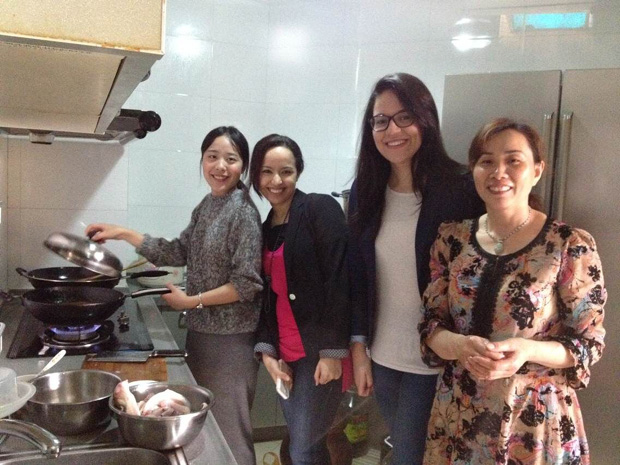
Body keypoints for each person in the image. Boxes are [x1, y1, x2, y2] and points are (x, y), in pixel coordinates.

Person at [419, 118, 606, 464]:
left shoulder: (568, 245)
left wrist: (526, 349)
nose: (498, 172)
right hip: (458, 414)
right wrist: (459, 346)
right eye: (486, 161)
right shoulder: (451, 239)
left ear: (537, 170)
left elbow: (588, 343)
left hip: (533, 421)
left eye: (513, 160)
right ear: (474, 170)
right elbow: (430, 326)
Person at [86, 126, 263, 465]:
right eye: (212, 157)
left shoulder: (243, 212)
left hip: (232, 340)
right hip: (202, 332)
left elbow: (246, 284)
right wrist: (124, 233)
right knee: (207, 428)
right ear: (202, 160)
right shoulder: (208, 205)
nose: (220, 166)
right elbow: (178, 251)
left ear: (244, 166)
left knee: (230, 431)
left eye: (231, 159)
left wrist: (191, 301)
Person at [347, 72, 485, 465]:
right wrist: (359, 349)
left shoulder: (460, 189)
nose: (392, 130)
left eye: (404, 117)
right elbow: (359, 279)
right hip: (384, 357)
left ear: (425, 119)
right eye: (381, 121)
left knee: (409, 455)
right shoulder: (365, 192)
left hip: (438, 359)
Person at [249, 134, 351, 465]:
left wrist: (332, 352)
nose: (276, 181)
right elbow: (266, 296)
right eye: (267, 172)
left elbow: (340, 278)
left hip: (317, 353)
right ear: (256, 175)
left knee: (304, 448)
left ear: (298, 172)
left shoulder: (319, 209)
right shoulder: (265, 227)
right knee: (301, 442)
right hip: (286, 354)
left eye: (286, 172)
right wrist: (268, 353)